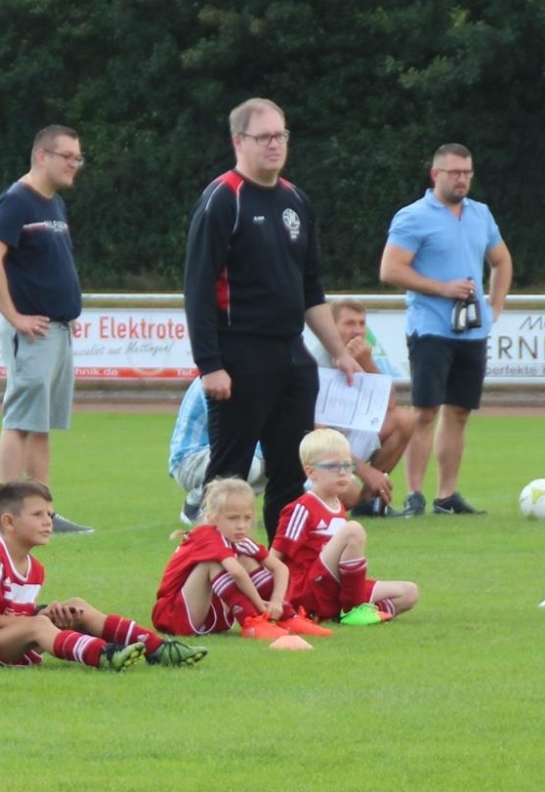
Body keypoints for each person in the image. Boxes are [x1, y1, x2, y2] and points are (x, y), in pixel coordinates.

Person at [182, 97, 357, 539]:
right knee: (229, 475)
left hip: (292, 356)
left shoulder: (296, 200)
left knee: (290, 474)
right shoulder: (223, 199)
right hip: (239, 354)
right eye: (264, 137)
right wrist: (210, 364)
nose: (275, 144)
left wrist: (338, 352)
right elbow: (198, 290)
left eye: (281, 135)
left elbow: (310, 289)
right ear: (238, 141)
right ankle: (207, 568)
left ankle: (284, 570)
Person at [0, 479, 205, 670]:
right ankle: (103, 655)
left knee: (76, 607)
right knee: (39, 625)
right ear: (9, 522)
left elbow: (14, 613)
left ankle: (157, 648)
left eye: (49, 514)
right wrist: (37, 620)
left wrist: (46, 615)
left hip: (4, 637)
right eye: (37, 514)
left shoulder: (36, 568)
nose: (48, 521)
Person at [378, 143, 511, 516]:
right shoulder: (413, 216)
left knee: (460, 412)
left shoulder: (480, 214)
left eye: (467, 172)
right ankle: (415, 494)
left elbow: (501, 260)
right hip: (431, 329)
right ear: (435, 174)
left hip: (471, 331)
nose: (462, 179)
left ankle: (446, 496)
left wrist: (495, 306)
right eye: (455, 173)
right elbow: (390, 269)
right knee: (425, 411)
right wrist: (442, 288)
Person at [0, 125, 92, 535]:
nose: (74, 164)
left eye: (77, 157)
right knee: (20, 421)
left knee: (41, 426)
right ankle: (8, 514)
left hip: (56, 331)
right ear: (42, 156)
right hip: (33, 333)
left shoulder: (54, 202)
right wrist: (15, 316)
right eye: (67, 156)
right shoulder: (17, 200)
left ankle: (43, 512)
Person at [271, 429, 420, 626]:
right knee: (353, 530)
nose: (343, 472)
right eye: (333, 466)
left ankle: (339, 614)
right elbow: (274, 558)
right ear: (311, 472)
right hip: (308, 590)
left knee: (409, 593)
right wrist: (274, 601)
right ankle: (353, 609)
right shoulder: (302, 508)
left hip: (337, 588)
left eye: (347, 465)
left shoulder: (338, 506)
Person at [153, 476, 320, 642]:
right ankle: (251, 621)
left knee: (246, 559)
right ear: (212, 518)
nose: (241, 525)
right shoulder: (207, 534)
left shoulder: (240, 540)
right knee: (212, 563)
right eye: (233, 518)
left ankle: (288, 617)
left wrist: (276, 602)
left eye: (247, 518)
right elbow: (236, 572)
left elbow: (280, 568)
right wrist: (260, 605)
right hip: (172, 616)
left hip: (208, 615)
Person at [324, 299, 417, 516]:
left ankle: (369, 504)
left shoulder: (363, 355)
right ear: (331, 327)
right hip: (316, 450)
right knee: (348, 492)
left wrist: (367, 363)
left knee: (404, 419)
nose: (357, 331)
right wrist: (365, 470)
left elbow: (390, 404)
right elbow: (318, 435)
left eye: (361, 323)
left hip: (344, 440)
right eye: (349, 324)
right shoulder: (315, 363)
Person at [168, 375, 263, 524]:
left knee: (277, 458)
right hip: (188, 459)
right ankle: (198, 503)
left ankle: (237, 510)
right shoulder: (213, 379)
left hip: (215, 454)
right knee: (250, 463)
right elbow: (228, 432)